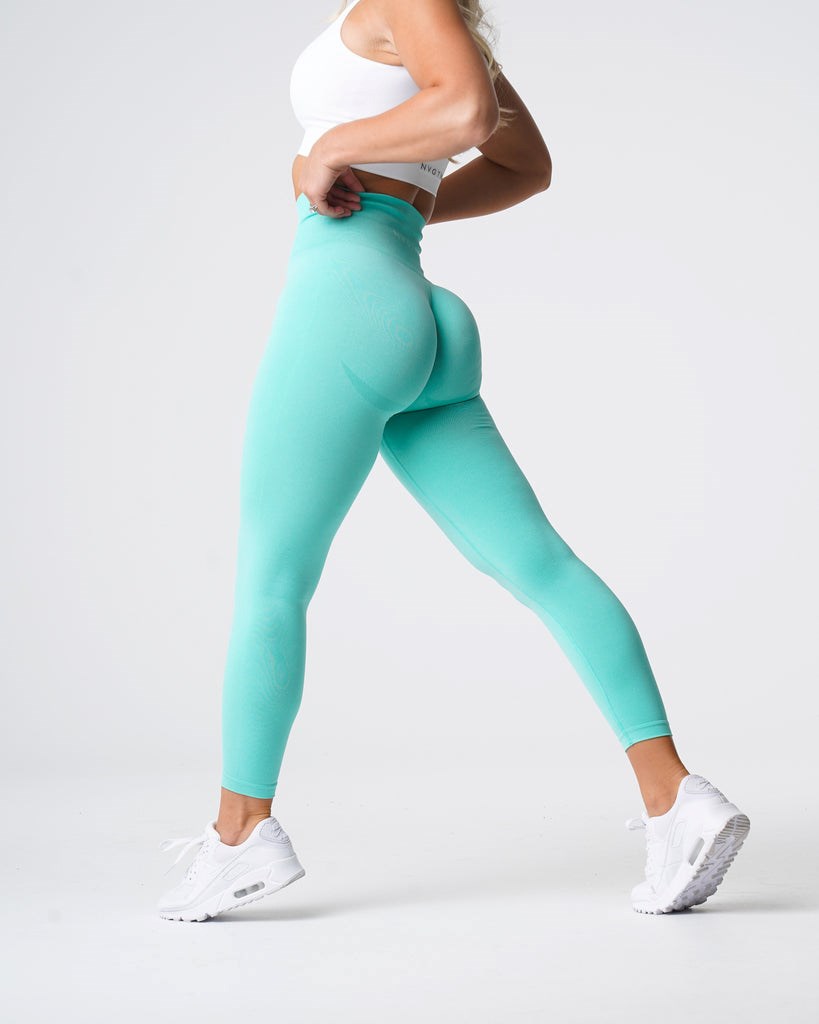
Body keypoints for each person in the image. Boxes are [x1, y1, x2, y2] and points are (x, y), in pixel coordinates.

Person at [156, 0, 750, 922]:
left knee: (272, 578)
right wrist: (410, 198)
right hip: (417, 306)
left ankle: (239, 836)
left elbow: (467, 114)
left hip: (346, 298)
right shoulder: (436, 21)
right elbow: (524, 166)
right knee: (541, 564)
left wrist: (331, 151)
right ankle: (675, 798)